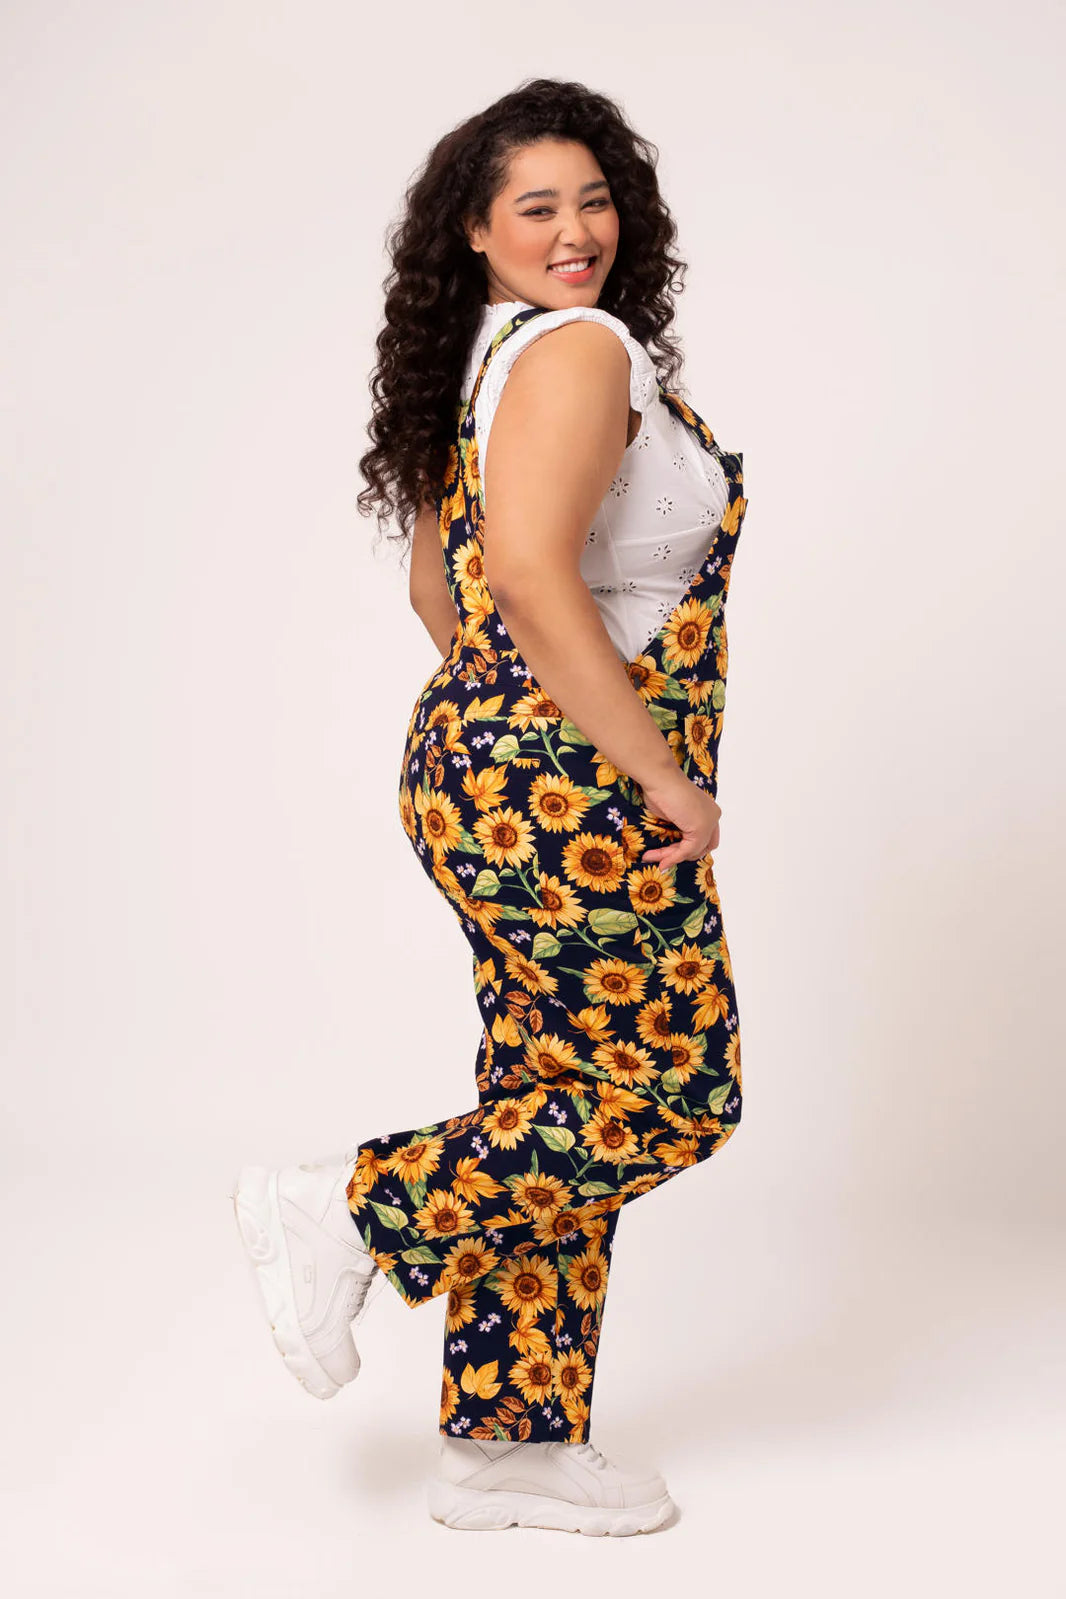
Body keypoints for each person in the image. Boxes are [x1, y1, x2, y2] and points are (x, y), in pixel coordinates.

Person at [232, 76, 749, 1537]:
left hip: (485, 774)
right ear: (475, 228)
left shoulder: (483, 363)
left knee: (552, 1095)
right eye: (538, 207)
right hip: (573, 786)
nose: (576, 231)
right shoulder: (579, 351)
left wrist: (505, 737)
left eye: (595, 201)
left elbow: (436, 588)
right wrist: (648, 770)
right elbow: (522, 574)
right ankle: (351, 1207)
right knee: (671, 1093)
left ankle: (508, 1441)